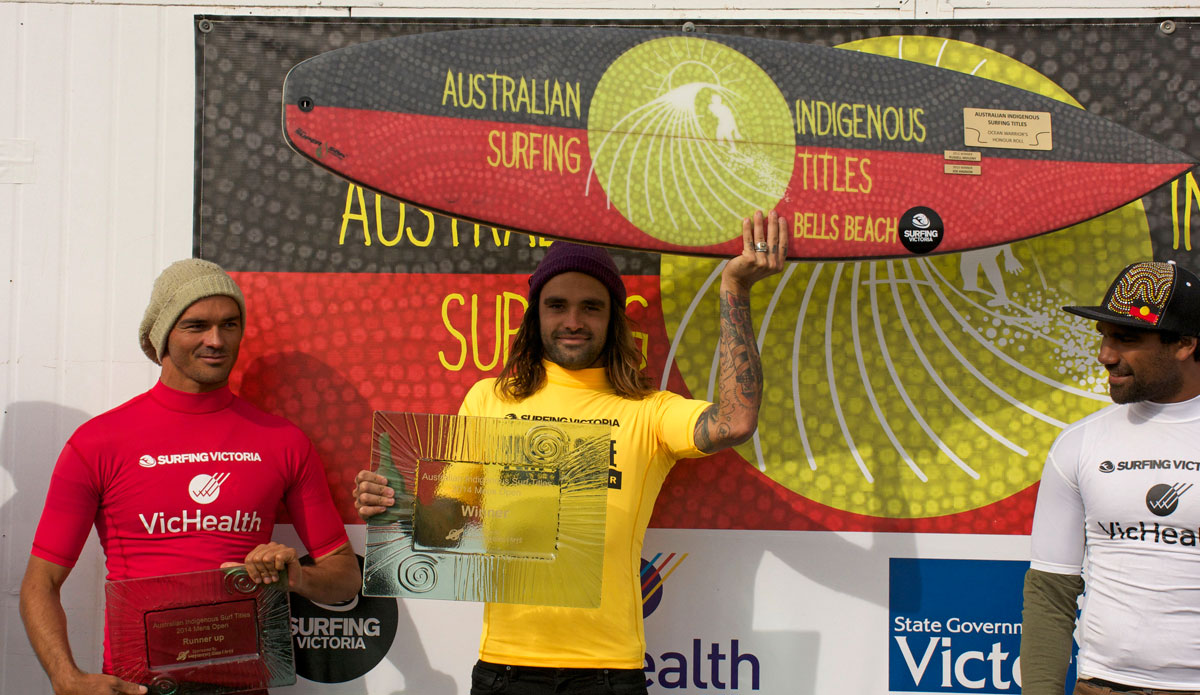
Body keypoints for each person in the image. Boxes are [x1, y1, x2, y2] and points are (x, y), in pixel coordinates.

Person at [355, 211, 789, 694]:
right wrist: (394, 506)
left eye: (591, 307)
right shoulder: (490, 399)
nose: (573, 322)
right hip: (505, 670)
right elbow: (449, 527)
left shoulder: (647, 411)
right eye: (557, 305)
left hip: (609, 675)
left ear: (613, 318)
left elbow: (736, 421)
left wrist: (736, 288)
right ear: (536, 313)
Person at [20, 259, 361, 695]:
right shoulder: (98, 442)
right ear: (161, 335)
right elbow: (40, 583)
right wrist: (64, 677)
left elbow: (345, 578)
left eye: (230, 324)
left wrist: (296, 577)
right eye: (196, 325)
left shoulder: (283, 441)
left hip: (244, 685)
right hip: (138, 687)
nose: (216, 340)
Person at [1022, 260, 1200, 695]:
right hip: (1102, 686)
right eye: (1104, 337)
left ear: (1185, 344)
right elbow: (1050, 590)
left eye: (1126, 338)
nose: (1105, 355)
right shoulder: (1079, 443)